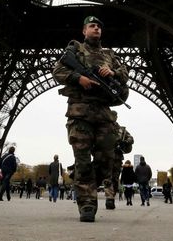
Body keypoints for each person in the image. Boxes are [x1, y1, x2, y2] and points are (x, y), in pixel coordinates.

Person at [52, 16, 130, 222]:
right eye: (92, 26)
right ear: (84, 30)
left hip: (104, 114)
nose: (96, 28)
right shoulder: (75, 50)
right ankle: (87, 202)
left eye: (99, 26)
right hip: (80, 112)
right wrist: (79, 78)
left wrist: (112, 72)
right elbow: (58, 70)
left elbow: (125, 75)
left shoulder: (109, 55)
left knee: (106, 160)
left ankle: (82, 181)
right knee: (83, 159)